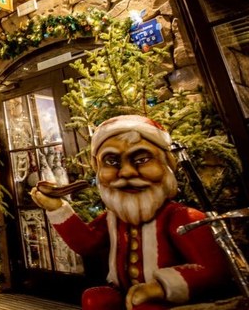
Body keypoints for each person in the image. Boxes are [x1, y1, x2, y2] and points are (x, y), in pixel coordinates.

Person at [30, 115, 232, 310]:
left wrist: (160, 287)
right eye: (112, 162)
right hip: (123, 295)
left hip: (169, 302)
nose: (126, 172)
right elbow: (87, 243)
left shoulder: (181, 217)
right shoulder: (114, 218)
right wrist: (56, 208)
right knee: (97, 299)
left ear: (167, 164)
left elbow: (213, 270)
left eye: (142, 159)